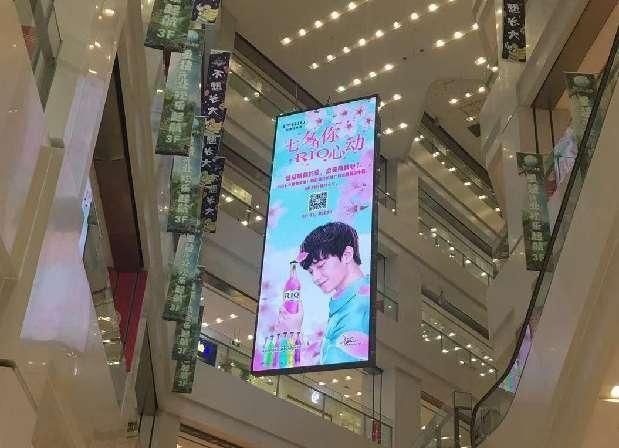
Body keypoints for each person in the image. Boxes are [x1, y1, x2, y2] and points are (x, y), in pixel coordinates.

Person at [278, 222, 370, 364]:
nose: (315, 278)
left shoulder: (355, 312)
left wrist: (292, 333)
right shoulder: (352, 300)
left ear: (347, 255)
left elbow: (332, 368)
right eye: (311, 272)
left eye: (321, 266)